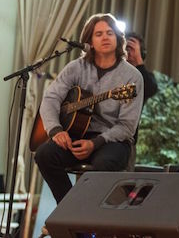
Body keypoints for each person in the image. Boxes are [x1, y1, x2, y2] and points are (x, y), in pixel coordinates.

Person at [34, 13, 144, 204]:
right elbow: (51, 98)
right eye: (99, 34)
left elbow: (127, 126)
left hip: (112, 141)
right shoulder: (75, 68)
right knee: (44, 155)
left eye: (110, 33)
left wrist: (96, 143)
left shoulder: (132, 77)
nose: (105, 37)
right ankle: (70, 209)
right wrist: (56, 130)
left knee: (103, 164)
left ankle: (90, 217)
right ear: (89, 41)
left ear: (118, 39)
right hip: (74, 134)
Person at [125, 31, 158, 103]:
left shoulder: (147, 77)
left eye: (132, 48)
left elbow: (150, 89)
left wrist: (138, 59)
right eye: (126, 47)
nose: (128, 51)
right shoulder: (114, 71)